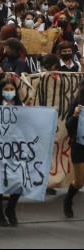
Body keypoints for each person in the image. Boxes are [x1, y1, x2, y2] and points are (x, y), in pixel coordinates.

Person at [0, 78, 23, 227]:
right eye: (7, 89)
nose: (9, 92)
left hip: (16, 149)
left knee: (18, 180)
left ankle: (11, 209)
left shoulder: (20, 106)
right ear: (1, 91)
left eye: (12, 89)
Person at [64, 80, 84, 218]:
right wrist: (75, 115)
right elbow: (68, 124)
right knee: (79, 181)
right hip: (79, 145)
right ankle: (68, 200)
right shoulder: (78, 101)